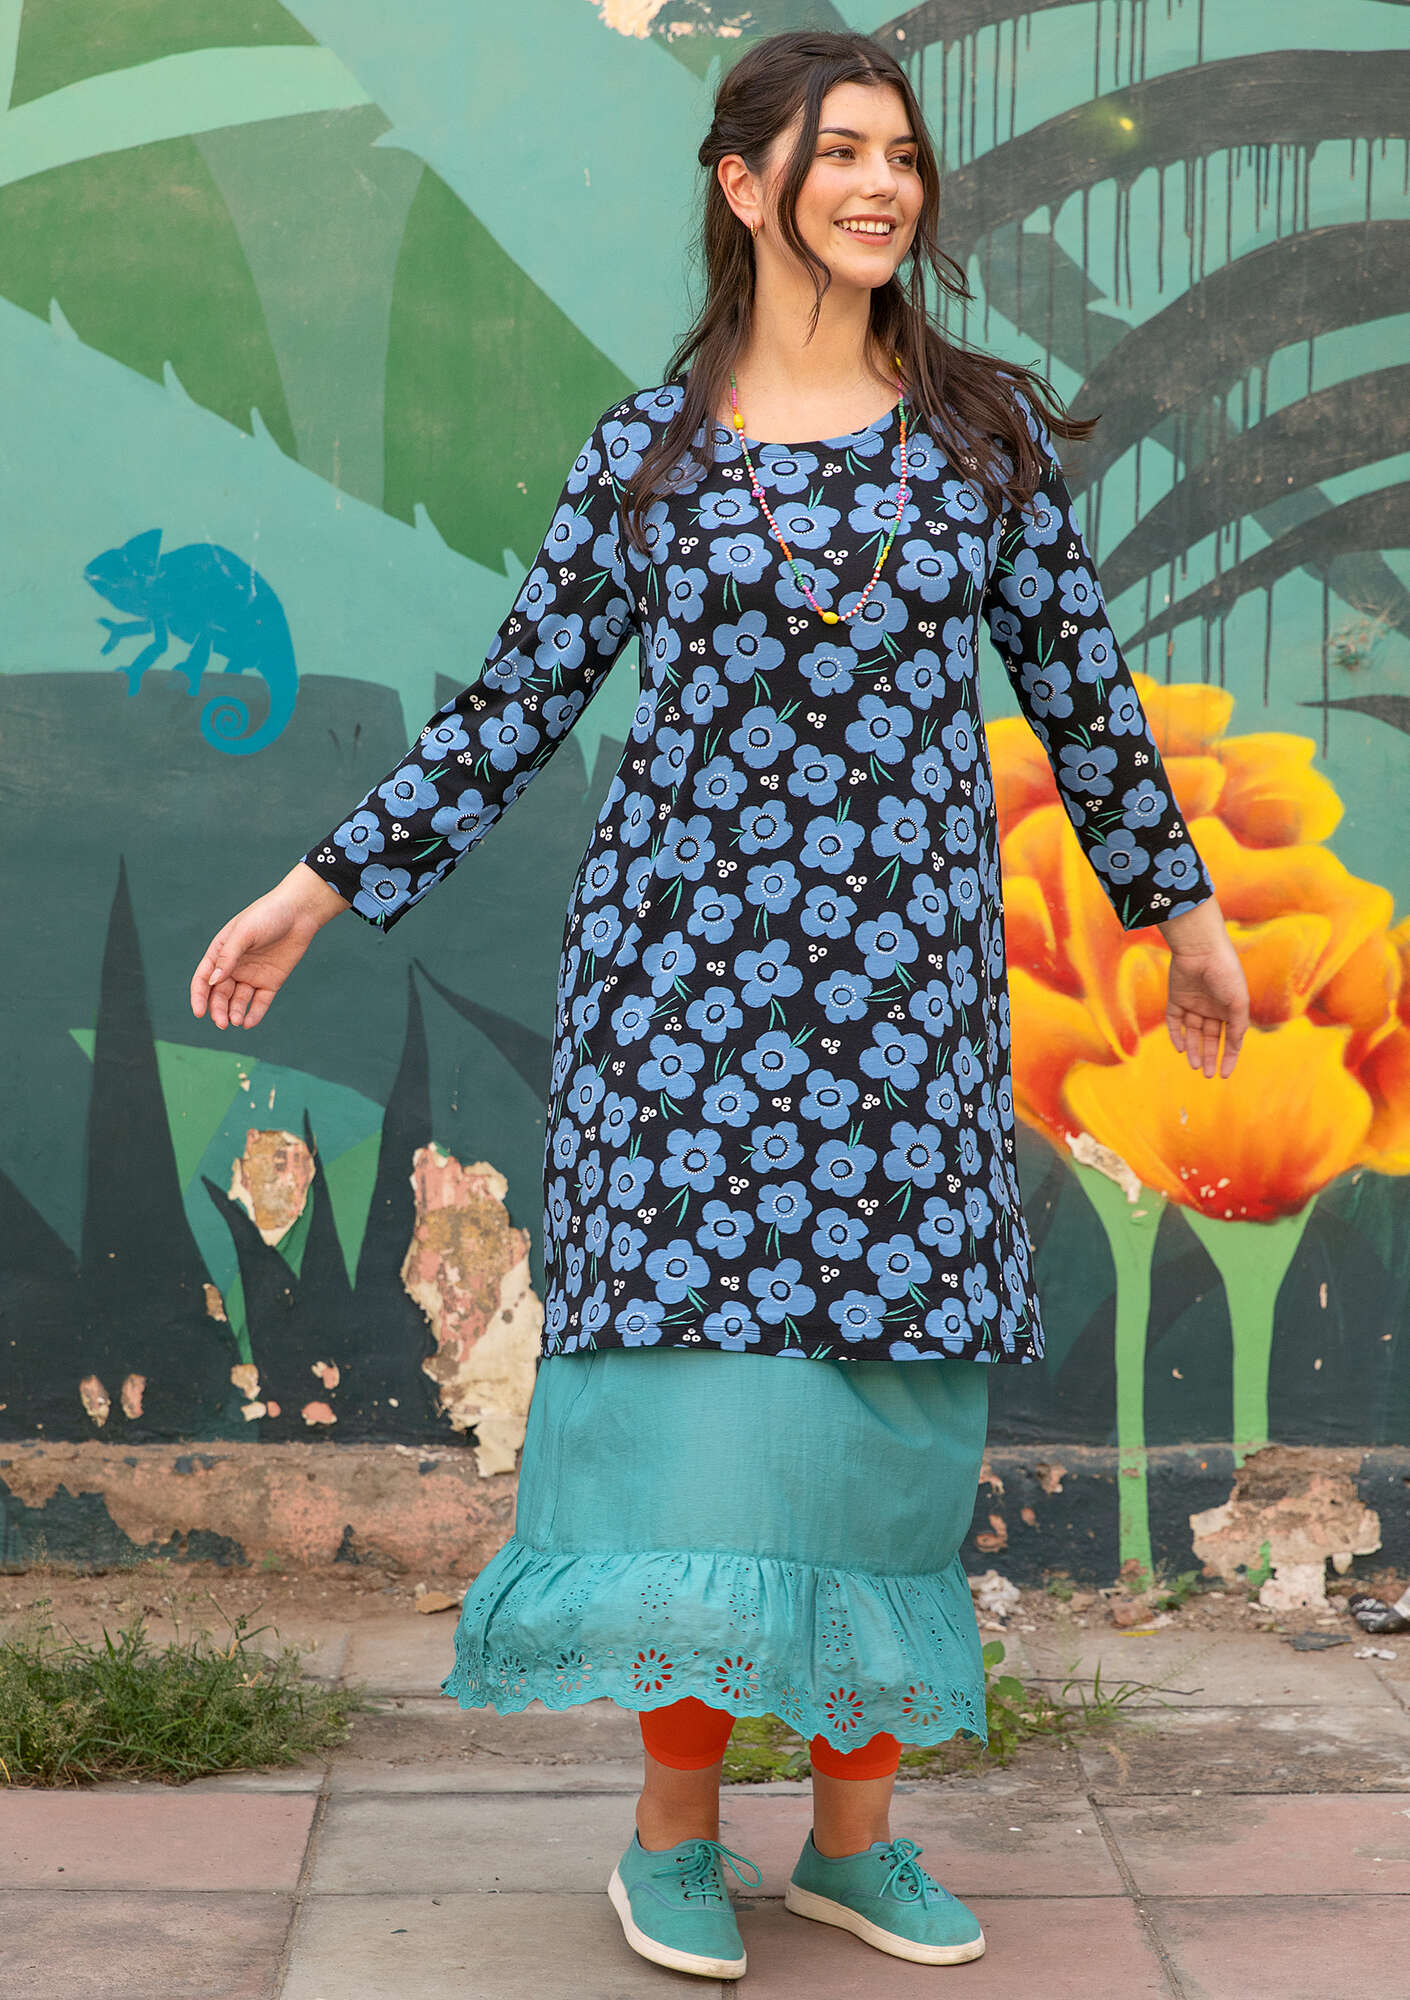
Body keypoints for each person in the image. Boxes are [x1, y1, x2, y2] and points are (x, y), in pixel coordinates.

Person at [190, 27, 1250, 1985]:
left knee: (878, 1424)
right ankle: (671, 1840)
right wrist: (313, 889)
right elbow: (511, 710)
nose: (880, 185)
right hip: (681, 1012)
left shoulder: (981, 444)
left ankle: (854, 1844)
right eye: (838, 152)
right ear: (744, 185)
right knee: (701, 1425)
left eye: (900, 156)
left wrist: (1178, 913)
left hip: (902, 1019)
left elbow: (1083, 696)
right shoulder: (647, 460)